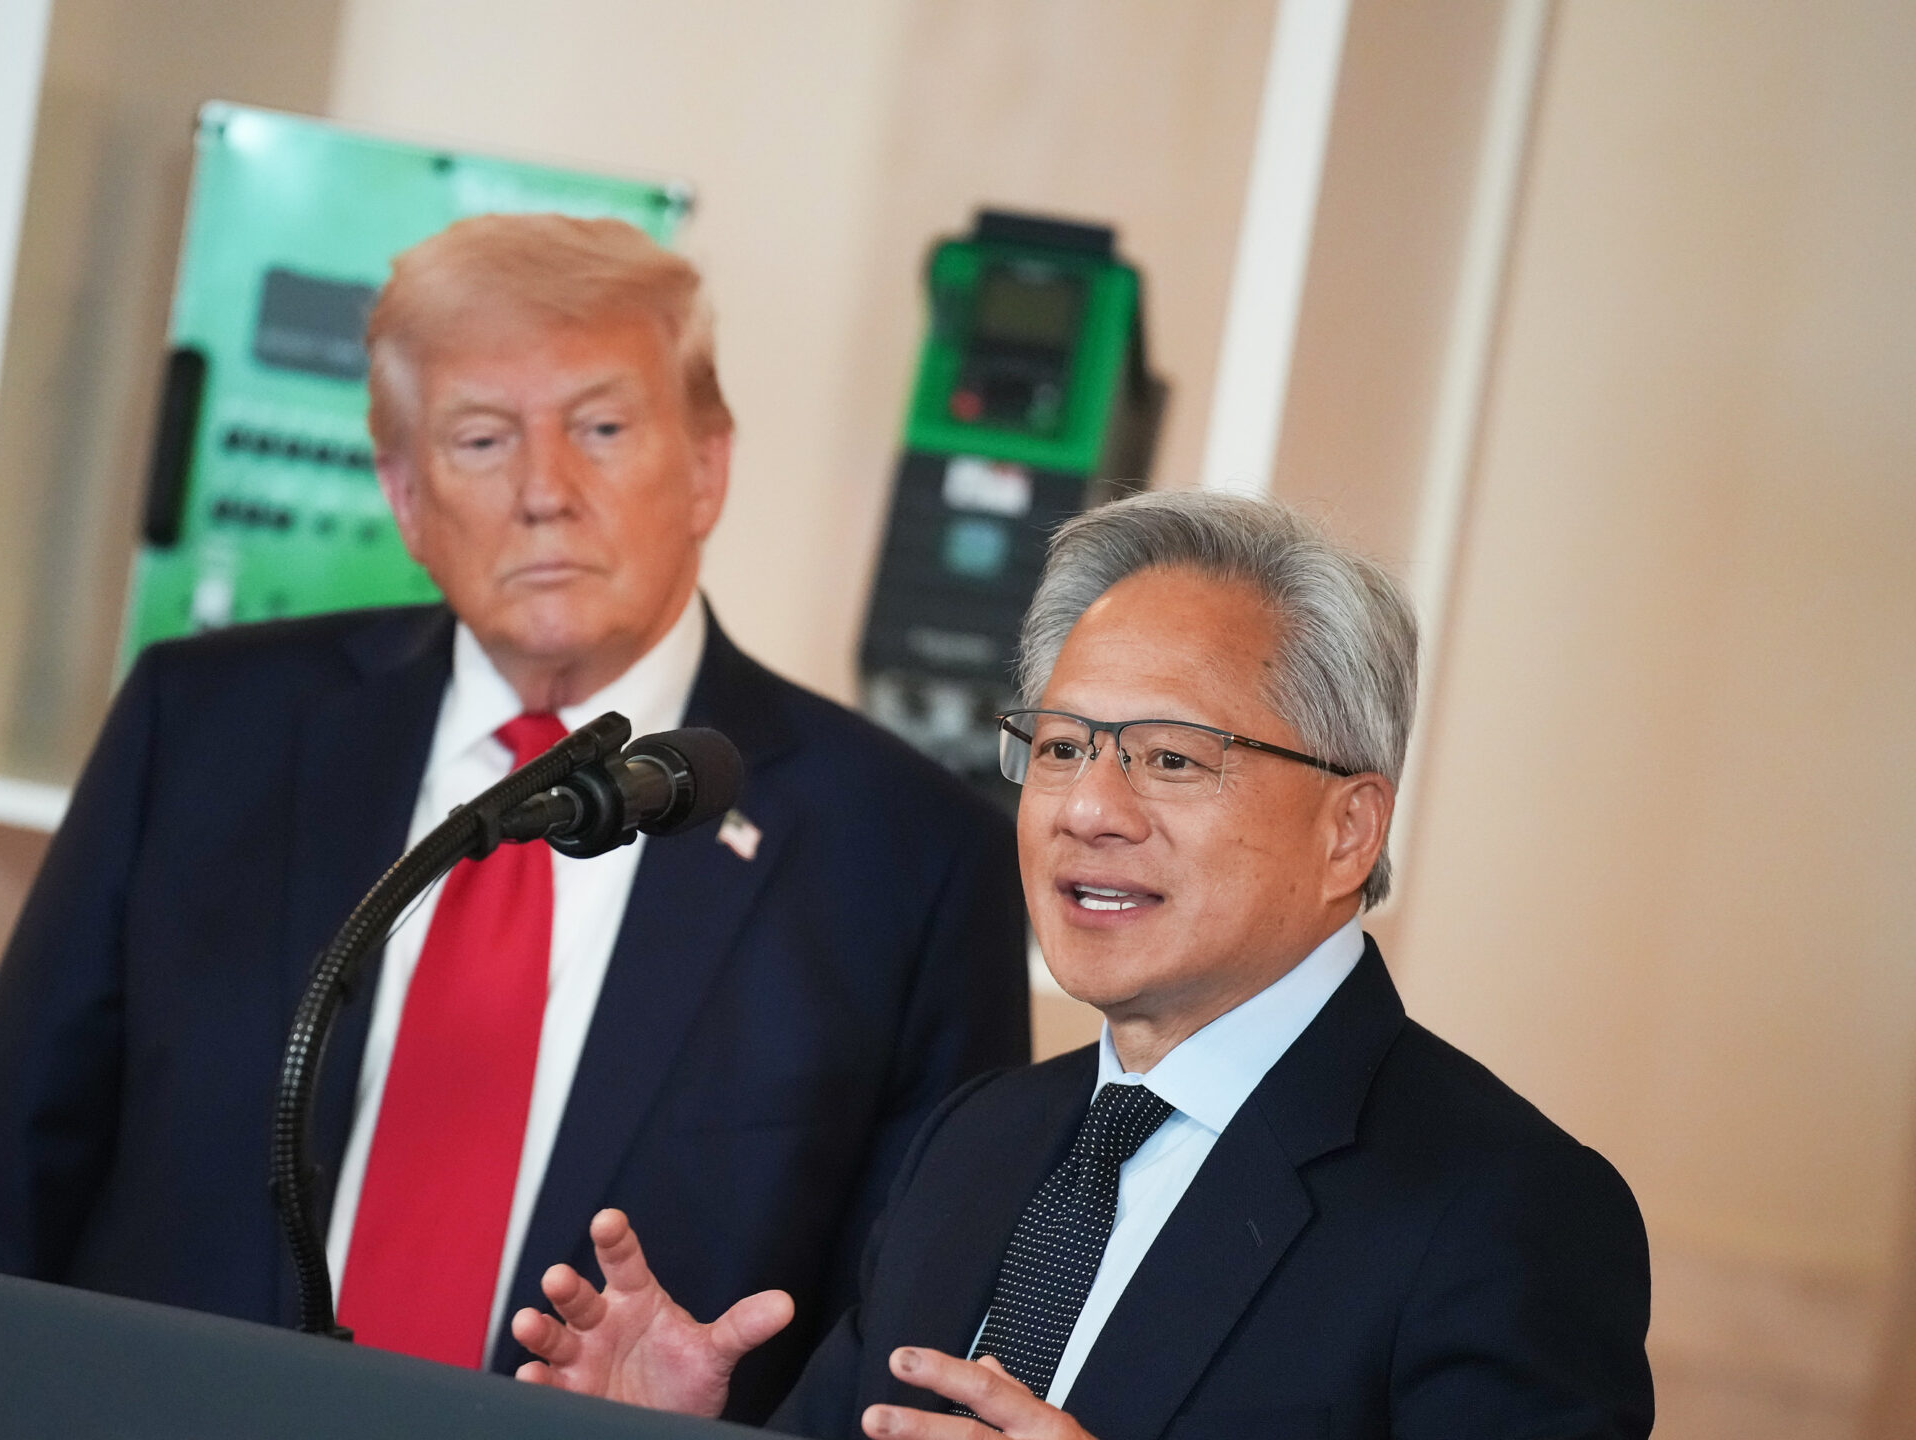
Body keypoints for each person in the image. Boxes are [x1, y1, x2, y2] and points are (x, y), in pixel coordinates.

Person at [0, 213, 1030, 1422]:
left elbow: (908, 1352)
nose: (545, 492)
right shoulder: (202, 731)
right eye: (482, 439)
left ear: (707, 465)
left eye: (601, 429)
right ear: (404, 496)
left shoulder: (912, 858)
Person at [511, 492, 1653, 1439]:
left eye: (1171, 758)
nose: (1087, 809)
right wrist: (674, 1433)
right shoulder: (976, 1142)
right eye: (1060, 747)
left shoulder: (1505, 1212)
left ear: (1347, 830)